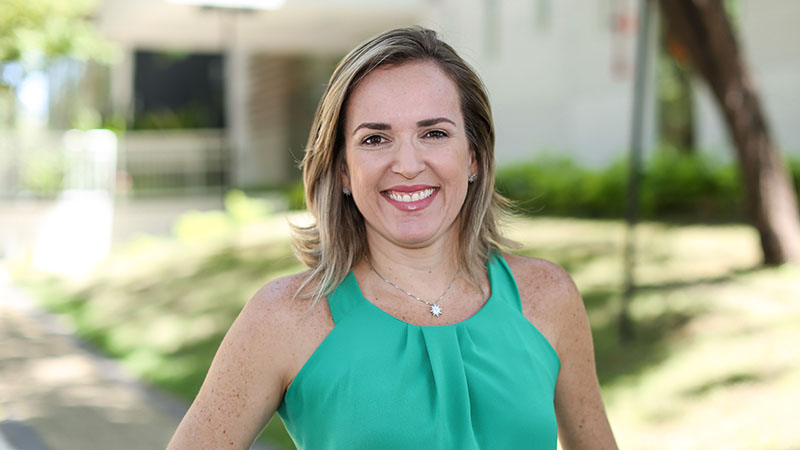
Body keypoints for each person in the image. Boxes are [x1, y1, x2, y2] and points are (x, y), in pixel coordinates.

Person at [168, 26, 617, 450]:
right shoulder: (285, 319)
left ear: (474, 157)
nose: (406, 164)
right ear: (343, 169)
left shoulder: (548, 297)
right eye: (376, 139)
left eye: (434, 133)